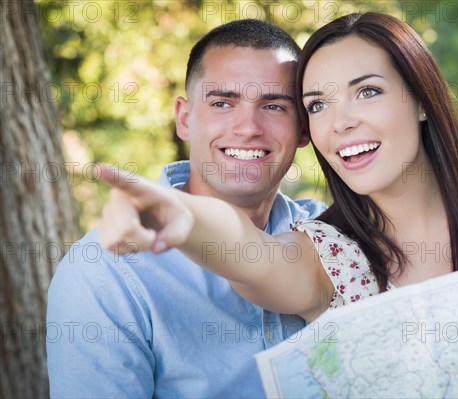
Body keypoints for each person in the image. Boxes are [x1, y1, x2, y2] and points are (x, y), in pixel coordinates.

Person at [49, 17, 458, 398]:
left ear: (422, 97)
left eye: (368, 92)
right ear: (185, 117)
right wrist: (172, 214)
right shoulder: (334, 257)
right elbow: (245, 251)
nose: (342, 121)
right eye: (320, 104)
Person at [46, 20, 328, 398]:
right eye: (223, 103)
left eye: (274, 105)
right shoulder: (102, 274)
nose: (248, 127)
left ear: (304, 128)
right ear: (184, 118)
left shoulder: (333, 236)